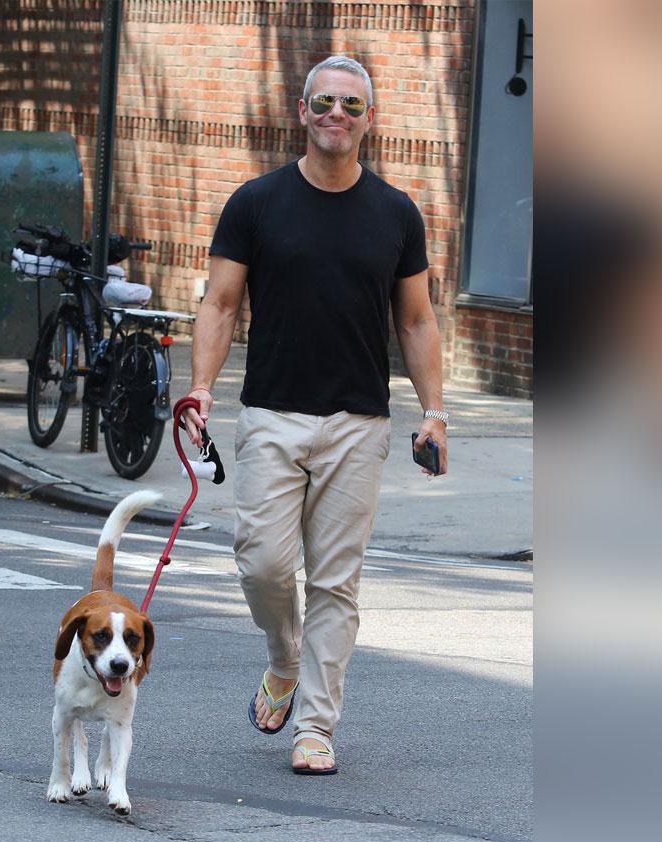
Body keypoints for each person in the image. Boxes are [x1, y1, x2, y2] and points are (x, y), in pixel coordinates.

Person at [181, 55, 448, 775]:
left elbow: (418, 322)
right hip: (271, 413)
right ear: (301, 112)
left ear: (370, 119)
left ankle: (316, 727)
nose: (338, 114)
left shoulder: (395, 213)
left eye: (352, 105)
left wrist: (435, 413)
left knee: (336, 582)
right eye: (324, 102)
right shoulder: (256, 203)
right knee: (263, 563)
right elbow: (221, 303)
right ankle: (283, 657)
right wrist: (201, 388)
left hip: (358, 423)